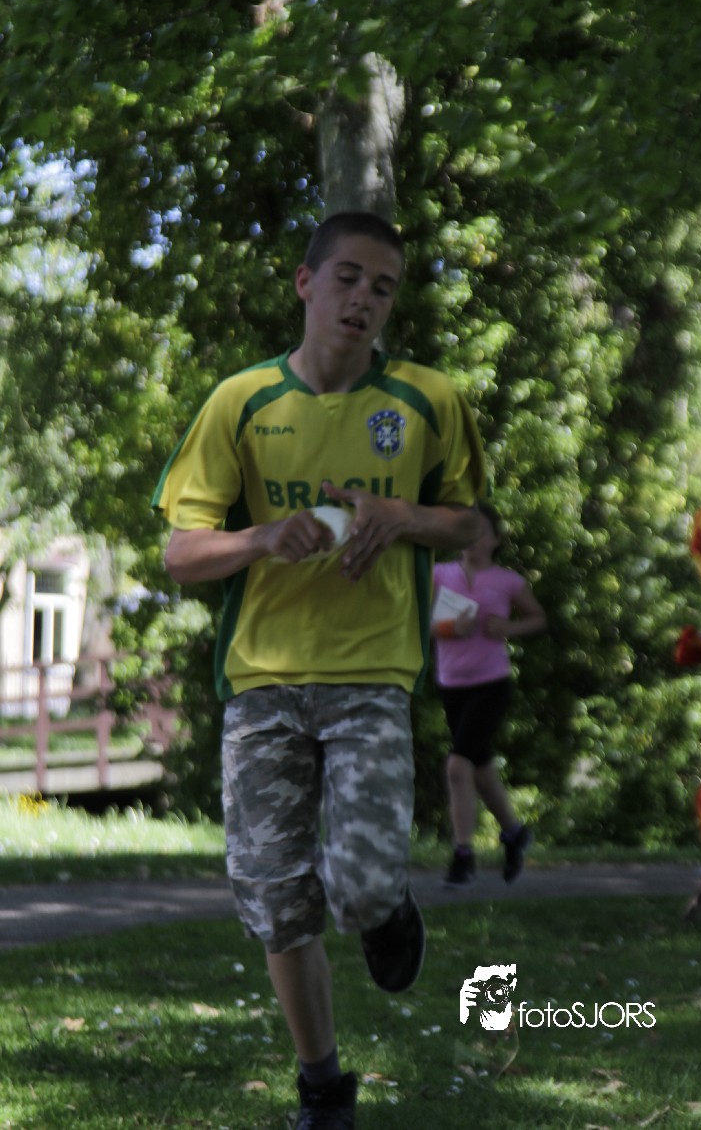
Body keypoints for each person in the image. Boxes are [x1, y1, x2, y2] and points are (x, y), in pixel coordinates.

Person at [152, 211, 485, 1129]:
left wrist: (402, 516)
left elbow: (467, 521)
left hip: (372, 673)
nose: (362, 299)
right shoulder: (242, 401)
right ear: (305, 283)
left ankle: (388, 908)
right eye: (347, 278)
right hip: (262, 681)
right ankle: (323, 1087)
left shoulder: (425, 400)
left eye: (382, 287)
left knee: (362, 886)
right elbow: (180, 554)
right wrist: (261, 537)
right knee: (277, 903)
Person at [431, 503, 546, 887]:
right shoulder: (438, 574)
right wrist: (448, 627)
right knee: (479, 769)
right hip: (452, 685)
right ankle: (514, 833)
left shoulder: (507, 581)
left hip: (491, 684)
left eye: (481, 531)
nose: (473, 539)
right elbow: (417, 621)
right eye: (466, 530)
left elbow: (538, 618)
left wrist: (509, 628)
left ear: (496, 539)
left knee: (457, 767)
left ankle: (463, 856)